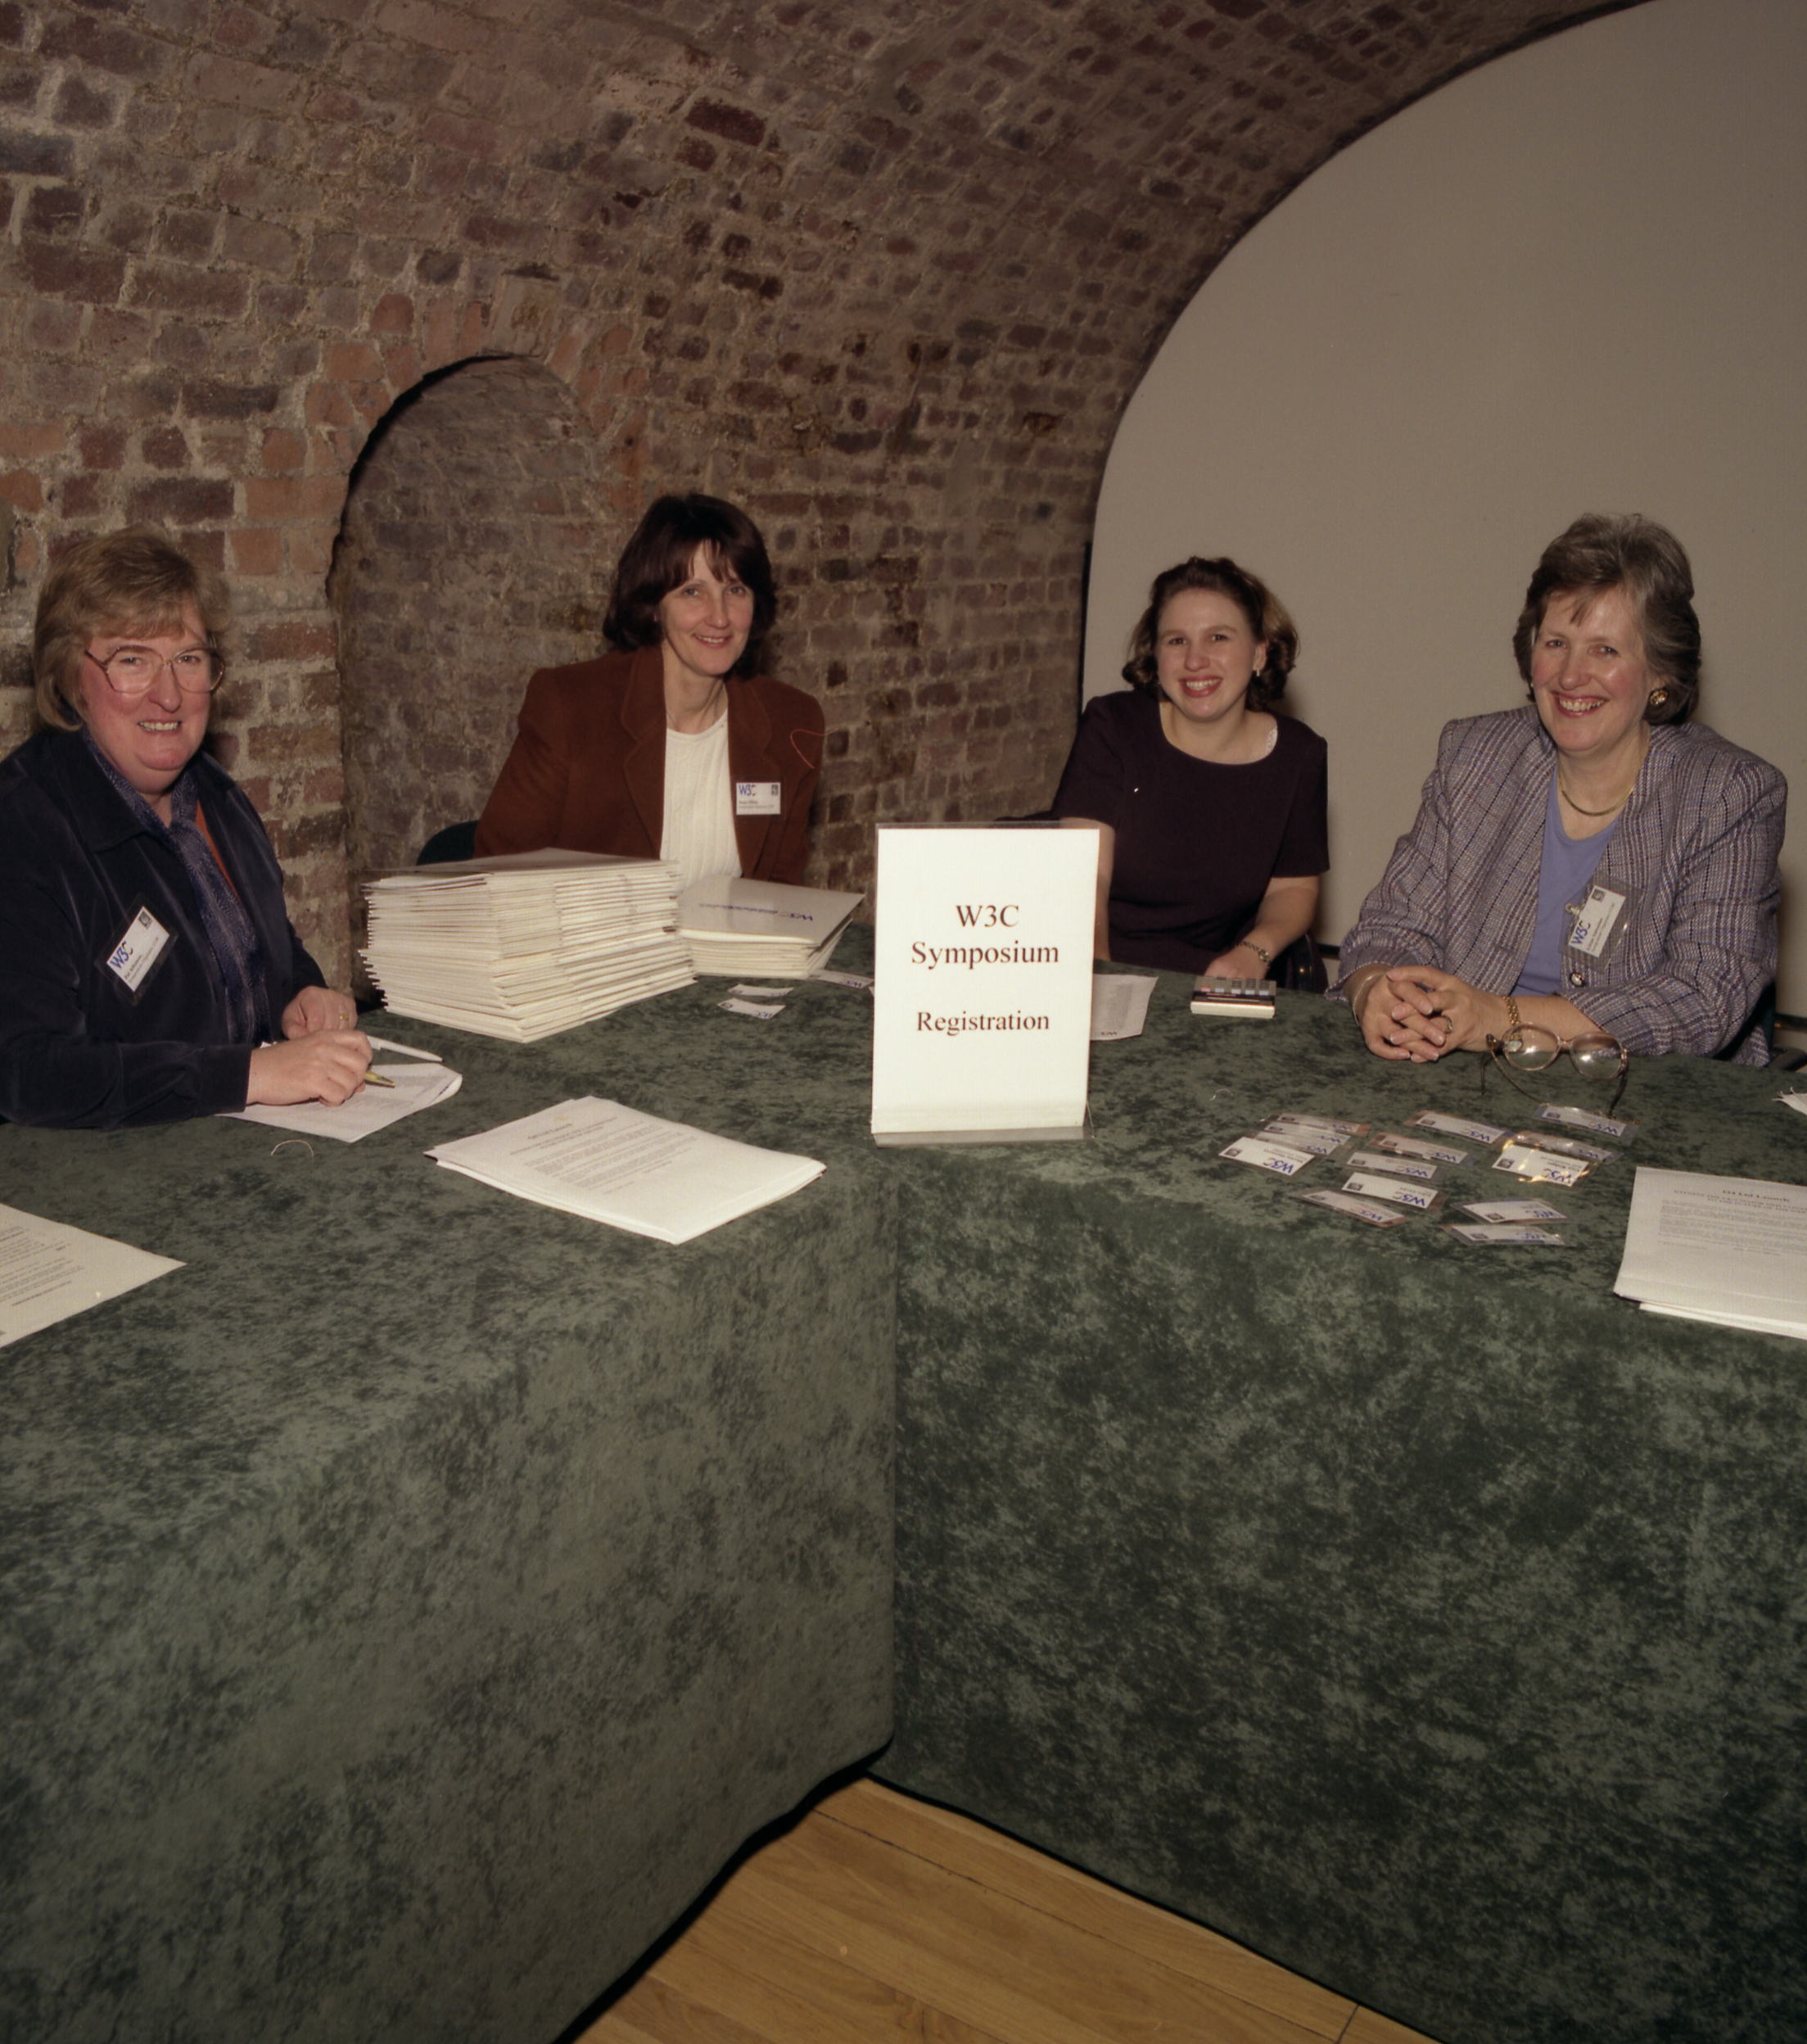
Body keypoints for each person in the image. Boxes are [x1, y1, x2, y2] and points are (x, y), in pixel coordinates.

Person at [1337, 513, 1786, 1066]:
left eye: (1605, 650)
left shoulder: (1728, 793)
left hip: (1645, 1088)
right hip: (1465, 1075)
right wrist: (1377, 992)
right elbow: (1391, 927)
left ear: (1660, 675)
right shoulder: (1474, 755)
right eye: (1556, 643)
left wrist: (1499, 1018)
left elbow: (1702, 997)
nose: (1570, 676)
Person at [0, 527, 372, 1129]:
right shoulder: (24, 828)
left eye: (188, 660)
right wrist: (248, 1075)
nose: (169, 696)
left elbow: (263, 951)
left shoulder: (216, 797)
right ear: (69, 677)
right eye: (132, 661)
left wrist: (300, 997)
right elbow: (27, 1072)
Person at [476, 492, 824, 887]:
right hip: (588, 928)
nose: (720, 617)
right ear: (654, 606)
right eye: (692, 591)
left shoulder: (791, 723)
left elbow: (781, 894)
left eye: (735, 590)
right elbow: (496, 873)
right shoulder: (571, 708)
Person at [1051, 554, 1327, 975]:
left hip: (1213, 975)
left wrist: (1254, 952)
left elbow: (1294, 887)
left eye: (1218, 638)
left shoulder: (1299, 753)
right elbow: (1085, 878)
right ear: (1155, 654)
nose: (1195, 661)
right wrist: (1100, 981)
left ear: (1259, 652)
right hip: (1102, 960)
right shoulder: (1114, 726)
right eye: (1176, 641)